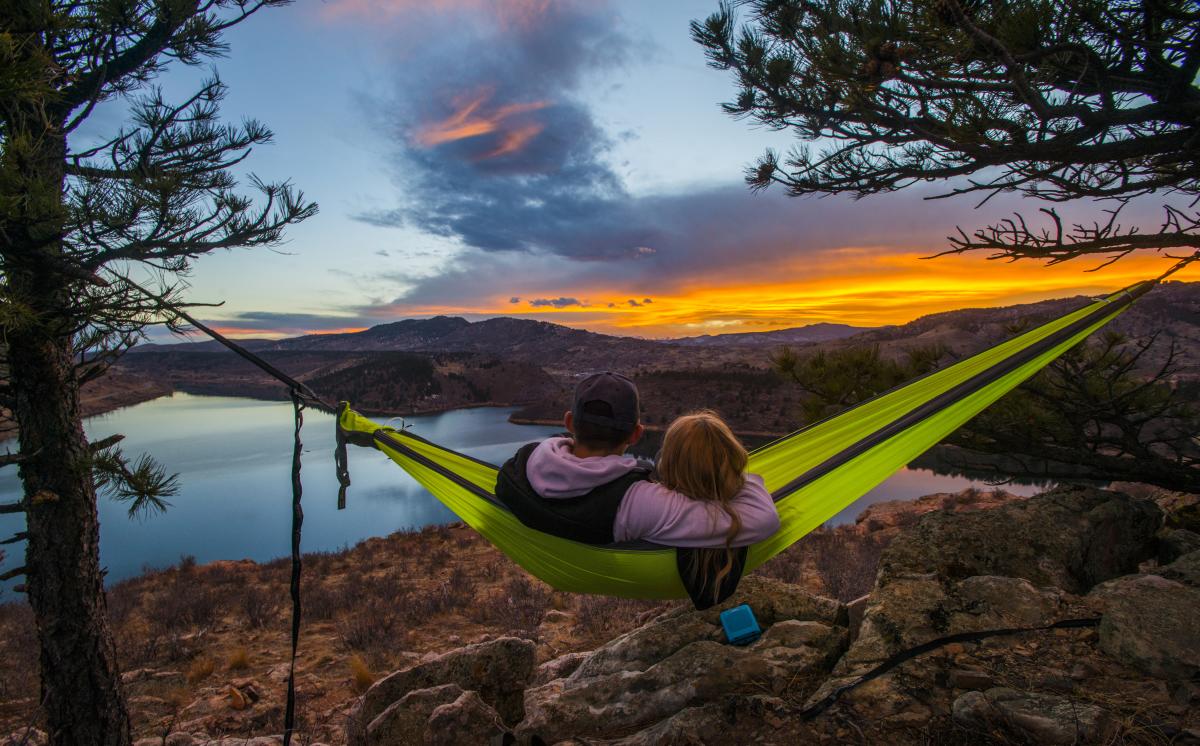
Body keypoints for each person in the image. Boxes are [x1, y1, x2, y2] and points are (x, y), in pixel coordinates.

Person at [494, 371, 779, 605]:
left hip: (551, 559)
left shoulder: (523, 464)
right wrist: (735, 470)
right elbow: (762, 518)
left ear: (569, 422)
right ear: (636, 434)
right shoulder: (638, 502)